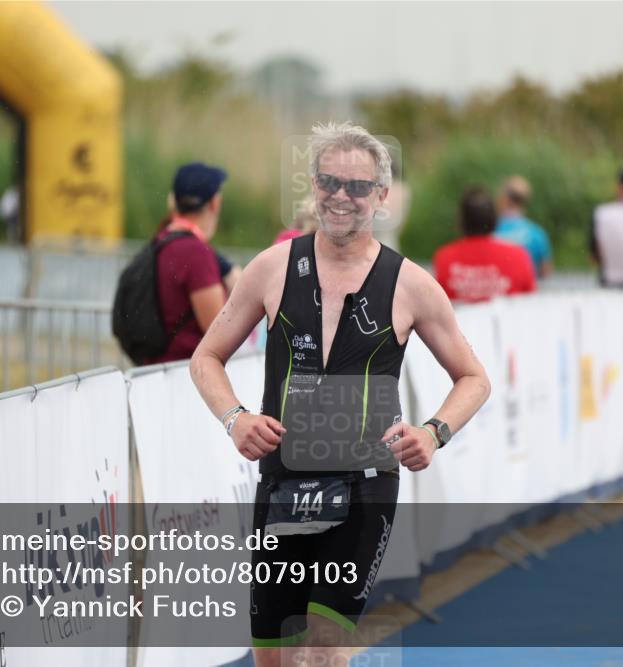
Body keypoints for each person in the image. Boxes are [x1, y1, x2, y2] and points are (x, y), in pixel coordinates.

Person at [189, 121, 491, 666]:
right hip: (284, 480)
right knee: (274, 654)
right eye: (330, 182)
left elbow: (474, 378)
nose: (341, 197)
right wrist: (235, 418)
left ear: (381, 195)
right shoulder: (271, 268)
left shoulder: (411, 284)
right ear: (313, 186)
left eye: (357, 186)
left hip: (364, 484)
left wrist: (433, 432)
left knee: (326, 644)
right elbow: (205, 357)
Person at [150, 162, 230, 363]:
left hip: (154, 369)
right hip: (185, 370)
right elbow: (219, 331)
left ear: (173, 201)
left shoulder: (162, 239)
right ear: (215, 203)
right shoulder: (196, 253)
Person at [432, 186, 537, 303]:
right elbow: (532, 304)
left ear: (461, 221)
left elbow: (439, 305)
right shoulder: (519, 256)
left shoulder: (444, 258)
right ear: (494, 219)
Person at [493, 175, 553, 277]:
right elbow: (545, 272)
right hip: (527, 285)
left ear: (505, 198)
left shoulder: (491, 230)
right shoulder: (537, 233)